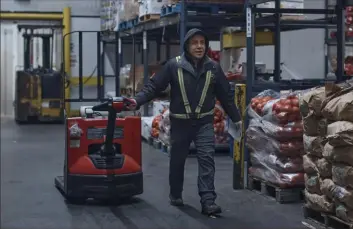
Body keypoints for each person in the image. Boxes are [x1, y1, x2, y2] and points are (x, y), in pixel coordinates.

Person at [127, 28, 242, 215]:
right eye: (194, 43)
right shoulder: (174, 66)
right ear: (187, 46)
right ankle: (175, 193)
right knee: (177, 161)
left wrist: (236, 119)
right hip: (180, 124)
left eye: (202, 43)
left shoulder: (213, 67)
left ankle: (208, 201)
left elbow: (226, 96)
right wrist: (136, 100)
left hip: (204, 123)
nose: (199, 46)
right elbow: (154, 87)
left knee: (207, 160)